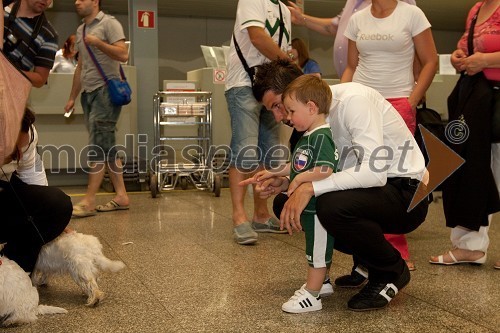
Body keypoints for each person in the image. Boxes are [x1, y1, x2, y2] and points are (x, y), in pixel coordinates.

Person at [251, 59, 429, 311]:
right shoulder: (314, 119)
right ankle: (366, 262)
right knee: (287, 204)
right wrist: (285, 182)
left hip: (408, 192)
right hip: (375, 192)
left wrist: (309, 188)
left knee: (330, 206)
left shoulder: (353, 101)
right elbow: (330, 168)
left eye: (279, 106)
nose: (280, 117)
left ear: (298, 91)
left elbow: (373, 173)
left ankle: (391, 270)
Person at [245, 75, 338, 313]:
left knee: (317, 252)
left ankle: (312, 295)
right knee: (313, 249)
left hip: (318, 208)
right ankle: (323, 284)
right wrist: (270, 172)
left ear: (311, 107)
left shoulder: (322, 136)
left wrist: (300, 180)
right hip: (309, 208)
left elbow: (325, 170)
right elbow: (297, 165)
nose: (286, 117)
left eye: (291, 111)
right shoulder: (308, 135)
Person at [430, 0, 500, 268]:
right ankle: (470, 245)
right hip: (478, 101)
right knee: (472, 170)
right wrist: (458, 56)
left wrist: (486, 60)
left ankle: (471, 245)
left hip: (491, 100)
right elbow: (466, 45)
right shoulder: (476, 8)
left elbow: (484, 54)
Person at [225, 0, 295, 245]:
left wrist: (286, 64)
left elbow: (281, 47)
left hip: (271, 86)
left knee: (270, 152)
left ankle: (261, 215)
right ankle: (238, 216)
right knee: (245, 150)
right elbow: (257, 37)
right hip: (243, 83)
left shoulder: (284, 9)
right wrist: (291, 66)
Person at [64, 0, 130, 218]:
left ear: (95, 1)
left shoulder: (109, 24)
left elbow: (123, 55)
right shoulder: (81, 29)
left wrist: (98, 43)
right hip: (89, 94)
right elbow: (81, 66)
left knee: (98, 146)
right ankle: (121, 195)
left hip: (105, 91)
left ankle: (89, 200)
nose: (77, 2)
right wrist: (72, 97)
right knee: (107, 146)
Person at [0, 107, 72, 273]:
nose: (19, 154)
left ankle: (14, 268)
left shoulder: (29, 135)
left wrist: (56, 224)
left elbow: (31, 174)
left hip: (5, 186)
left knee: (56, 204)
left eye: (22, 148)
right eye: (13, 151)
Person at [287, 0, 415, 78]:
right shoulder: (353, 2)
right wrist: (302, 19)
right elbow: (336, 26)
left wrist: (416, 85)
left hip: (381, 84)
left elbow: (414, 42)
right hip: (352, 81)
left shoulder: (403, 6)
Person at [2, 0, 58, 87]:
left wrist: (10, 71)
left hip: (9, 91)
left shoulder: (49, 35)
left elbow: (40, 79)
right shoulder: (2, 9)